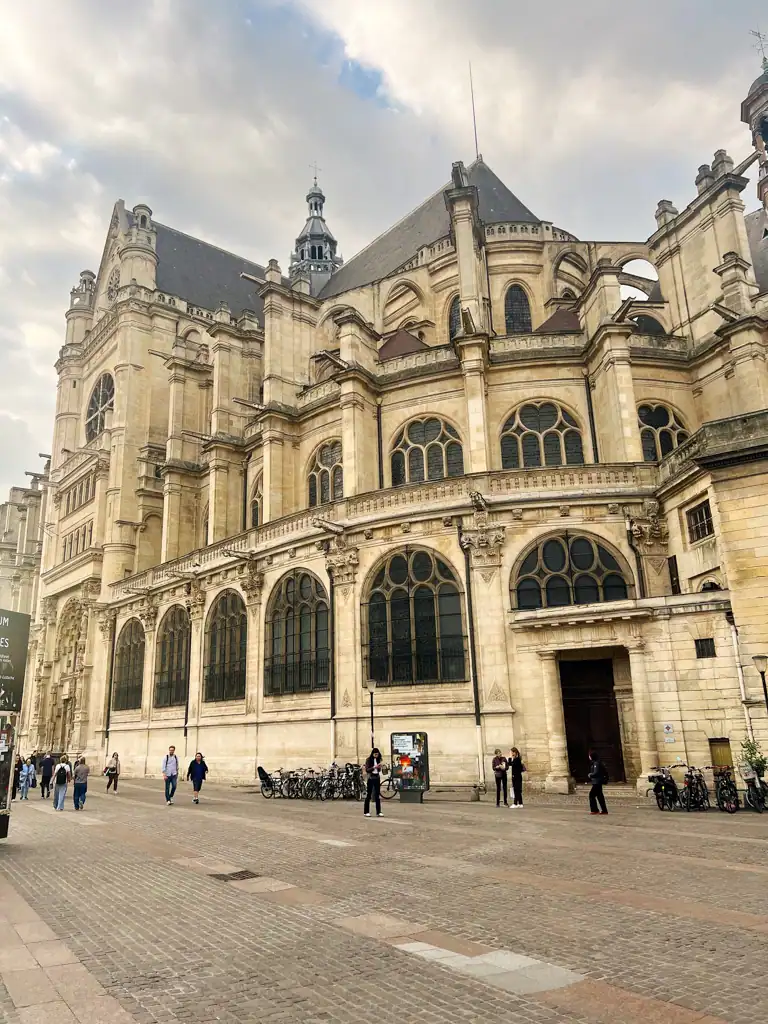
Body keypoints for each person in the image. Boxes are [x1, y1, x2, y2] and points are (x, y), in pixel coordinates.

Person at [363, 747, 383, 818]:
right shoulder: (368, 760)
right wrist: (374, 767)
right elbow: (367, 770)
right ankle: (366, 811)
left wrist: (379, 767)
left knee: (377, 795)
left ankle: (379, 812)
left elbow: (379, 770)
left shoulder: (378, 759)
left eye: (377, 754)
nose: (376, 756)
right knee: (369, 795)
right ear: (372, 754)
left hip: (377, 777)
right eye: (375, 754)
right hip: (371, 778)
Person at [588, 750, 609, 815]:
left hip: (596, 782)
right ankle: (604, 810)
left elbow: (596, 773)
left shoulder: (596, 763)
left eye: (589, 755)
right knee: (600, 796)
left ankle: (594, 810)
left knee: (591, 795)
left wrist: (590, 774)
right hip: (598, 782)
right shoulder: (598, 762)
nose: (589, 757)